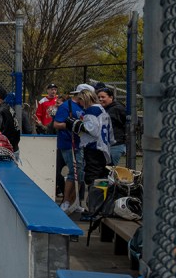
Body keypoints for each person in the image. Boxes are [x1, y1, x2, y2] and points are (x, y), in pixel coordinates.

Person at [70, 84, 113, 217]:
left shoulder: (92, 110)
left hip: (94, 149)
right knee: (101, 178)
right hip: (103, 148)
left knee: (93, 179)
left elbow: (93, 130)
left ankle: (94, 210)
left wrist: (77, 124)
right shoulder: (101, 109)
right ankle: (99, 208)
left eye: (80, 98)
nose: (79, 101)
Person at [52, 85, 88, 214]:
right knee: (74, 172)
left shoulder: (84, 106)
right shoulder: (67, 106)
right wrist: (70, 124)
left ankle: (74, 201)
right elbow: (56, 124)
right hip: (68, 144)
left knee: (80, 174)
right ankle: (66, 201)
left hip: (80, 144)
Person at [96, 86, 128, 166]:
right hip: (107, 144)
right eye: (99, 97)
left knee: (110, 169)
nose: (100, 99)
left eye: (103, 97)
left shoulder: (117, 109)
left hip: (115, 144)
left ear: (111, 97)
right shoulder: (104, 109)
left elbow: (128, 123)